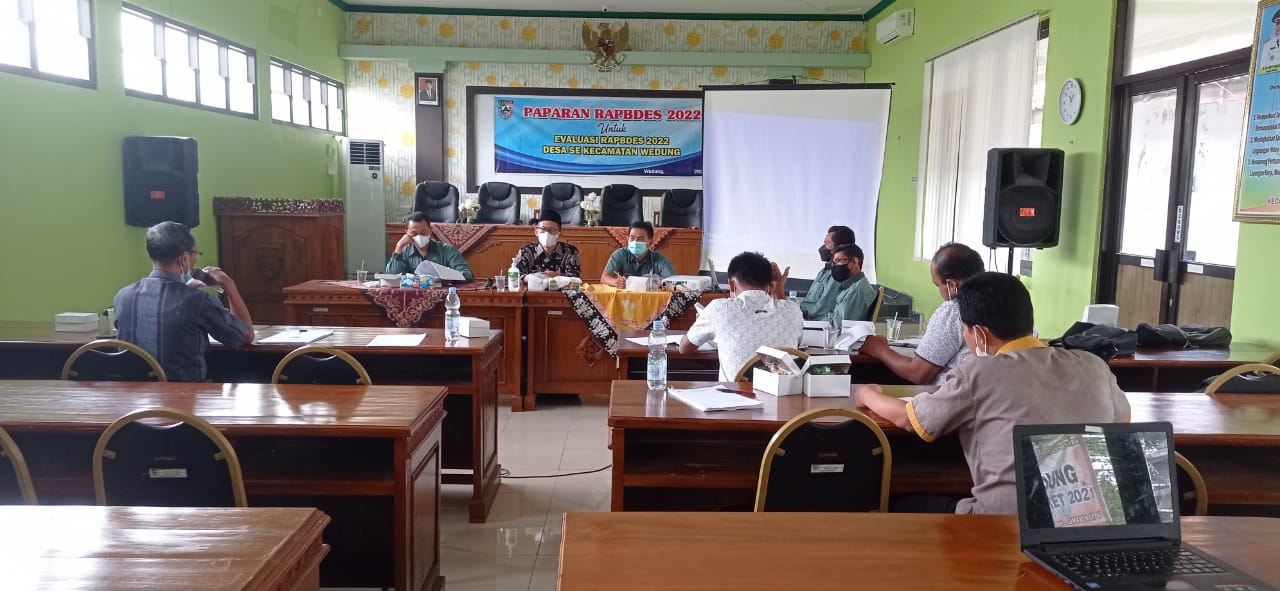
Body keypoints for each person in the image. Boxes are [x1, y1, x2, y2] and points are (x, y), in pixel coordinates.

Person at [854, 272, 1130, 515]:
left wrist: (867, 394)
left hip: (1003, 523)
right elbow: (1122, 422)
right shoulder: (1093, 365)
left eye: (965, 332)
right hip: (1089, 517)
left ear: (980, 334)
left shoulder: (979, 373)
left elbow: (911, 420)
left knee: (900, 504)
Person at [113, 221, 255, 382]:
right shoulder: (197, 301)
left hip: (134, 394)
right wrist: (228, 285)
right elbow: (245, 336)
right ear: (184, 258)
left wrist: (188, 287)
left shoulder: (123, 296)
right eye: (195, 253)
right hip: (184, 394)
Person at [860, 242, 985, 385]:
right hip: (983, 392)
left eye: (938, 285)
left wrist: (879, 350)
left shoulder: (954, 310)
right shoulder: (997, 304)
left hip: (947, 394)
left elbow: (918, 373)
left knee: (865, 389)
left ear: (952, 285)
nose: (939, 291)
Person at [679, 252, 801, 381]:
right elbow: (794, 345)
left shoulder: (719, 308)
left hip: (736, 392)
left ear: (732, 284)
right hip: (783, 392)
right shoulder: (793, 310)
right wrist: (778, 290)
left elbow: (684, 348)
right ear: (770, 285)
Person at [386, 211, 474, 280]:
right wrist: (398, 247)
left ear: (430, 230)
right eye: (414, 233)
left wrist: (448, 277)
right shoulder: (404, 252)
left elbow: (467, 274)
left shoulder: (447, 250)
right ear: (406, 233)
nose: (419, 236)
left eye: (423, 232)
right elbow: (392, 277)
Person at [801, 225, 857, 320]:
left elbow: (822, 310)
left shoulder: (837, 275)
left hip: (813, 322)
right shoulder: (825, 271)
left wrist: (798, 315)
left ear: (839, 247)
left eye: (827, 242)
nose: (823, 247)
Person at [600, 221, 676, 288]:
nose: (635, 242)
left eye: (640, 239)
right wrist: (616, 282)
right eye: (632, 238)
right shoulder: (620, 254)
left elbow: (673, 281)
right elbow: (604, 278)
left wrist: (655, 283)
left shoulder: (659, 259)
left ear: (650, 242)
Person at [513, 209, 581, 280]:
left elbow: (575, 277)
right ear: (536, 232)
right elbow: (516, 275)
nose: (547, 233)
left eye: (552, 230)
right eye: (543, 229)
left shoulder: (570, 251)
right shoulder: (526, 251)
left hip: (561, 287)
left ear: (559, 233)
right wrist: (529, 278)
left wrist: (557, 276)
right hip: (533, 286)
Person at [825, 243, 878, 326]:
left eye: (838, 261)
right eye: (833, 263)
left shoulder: (857, 290)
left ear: (854, 261)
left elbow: (838, 326)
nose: (834, 266)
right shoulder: (850, 287)